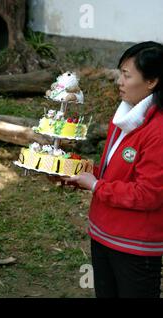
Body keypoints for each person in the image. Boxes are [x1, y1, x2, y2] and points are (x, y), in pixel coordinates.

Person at [64, 41, 163, 298]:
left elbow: (149, 194)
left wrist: (96, 185)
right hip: (102, 235)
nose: (119, 81)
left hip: (134, 246)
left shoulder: (158, 130)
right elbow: (114, 173)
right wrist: (84, 173)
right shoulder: (124, 117)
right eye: (119, 73)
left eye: (126, 75)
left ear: (151, 81)